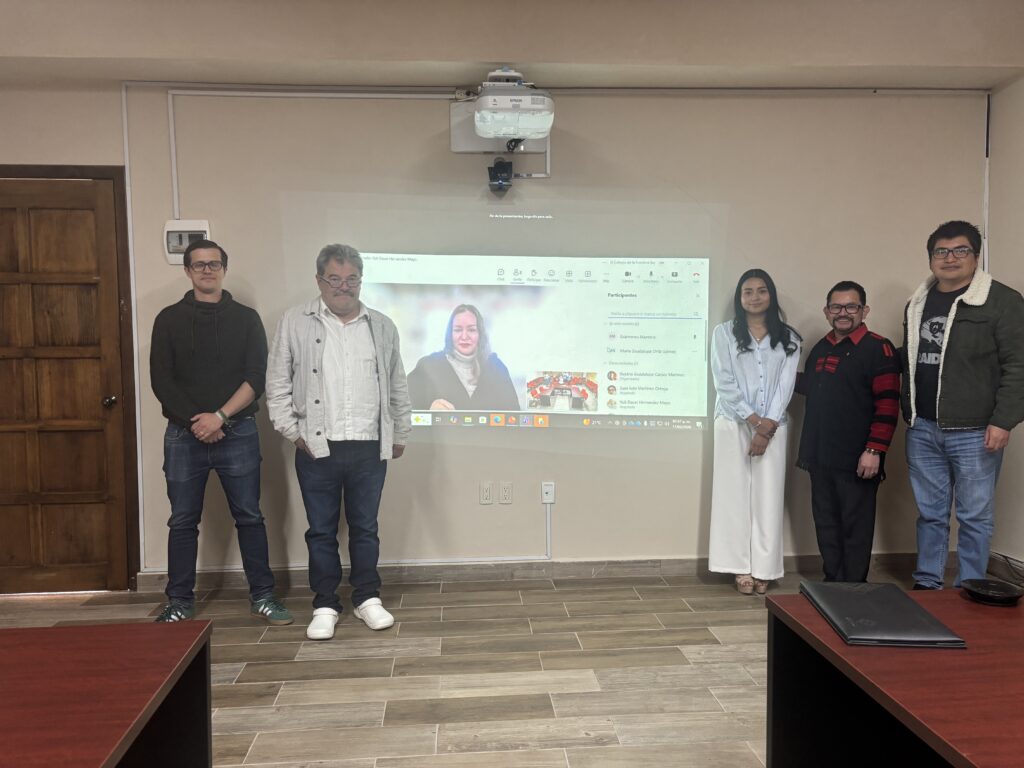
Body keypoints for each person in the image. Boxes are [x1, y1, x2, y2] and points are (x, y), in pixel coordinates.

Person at [266, 244, 412, 640]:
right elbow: (277, 384)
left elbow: (397, 383)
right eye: (335, 279)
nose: (343, 287)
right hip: (318, 445)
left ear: (360, 281)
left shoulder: (382, 325)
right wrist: (293, 432)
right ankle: (325, 603)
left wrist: (400, 432)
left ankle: (367, 598)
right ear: (319, 280)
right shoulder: (295, 322)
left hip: (369, 444)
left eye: (351, 279)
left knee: (365, 527)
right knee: (321, 530)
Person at [150, 239, 292, 625]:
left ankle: (263, 596)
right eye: (199, 265)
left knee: (250, 516)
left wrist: (220, 417)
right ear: (188, 271)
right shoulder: (168, 319)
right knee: (182, 521)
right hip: (183, 436)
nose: (207, 270)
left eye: (214, 264)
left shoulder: (246, 319)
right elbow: (161, 380)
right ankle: (179, 601)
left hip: (238, 431)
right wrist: (197, 422)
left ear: (224, 269)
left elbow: (257, 376)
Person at [902, 221, 1024, 590]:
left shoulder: (1003, 301)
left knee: (974, 516)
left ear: (976, 255)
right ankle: (928, 581)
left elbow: (1018, 365)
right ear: (930, 258)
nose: (950, 258)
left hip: (976, 430)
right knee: (930, 513)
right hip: (923, 427)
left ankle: (971, 586)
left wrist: (1003, 421)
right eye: (941, 251)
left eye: (960, 250)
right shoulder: (917, 303)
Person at [796, 281, 899, 582]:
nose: (843, 313)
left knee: (855, 526)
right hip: (819, 455)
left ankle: (853, 588)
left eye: (851, 306)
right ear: (826, 312)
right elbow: (812, 388)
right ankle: (832, 583)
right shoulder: (821, 348)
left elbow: (888, 403)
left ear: (864, 310)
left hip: (858, 458)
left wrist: (874, 450)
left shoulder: (879, 348)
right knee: (826, 523)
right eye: (836, 307)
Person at [709, 269, 801, 595]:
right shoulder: (724, 334)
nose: (755, 297)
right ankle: (740, 567)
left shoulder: (789, 338)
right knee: (733, 496)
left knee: (768, 497)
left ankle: (765, 568)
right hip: (732, 423)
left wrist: (766, 426)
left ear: (771, 295)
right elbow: (723, 380)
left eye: (761, 290)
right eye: (747, 291)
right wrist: (753, 420)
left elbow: (786, 385)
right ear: (740, 298)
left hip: (774, 427)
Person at [407, 304, 519, 411]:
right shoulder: (428, 366)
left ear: (480, 334)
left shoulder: (497, 368)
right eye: (458, 330)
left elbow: (514, 416)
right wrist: (427, 412)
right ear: (450, 333)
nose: (464, 336)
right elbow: (403, 408)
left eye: (471, 330)